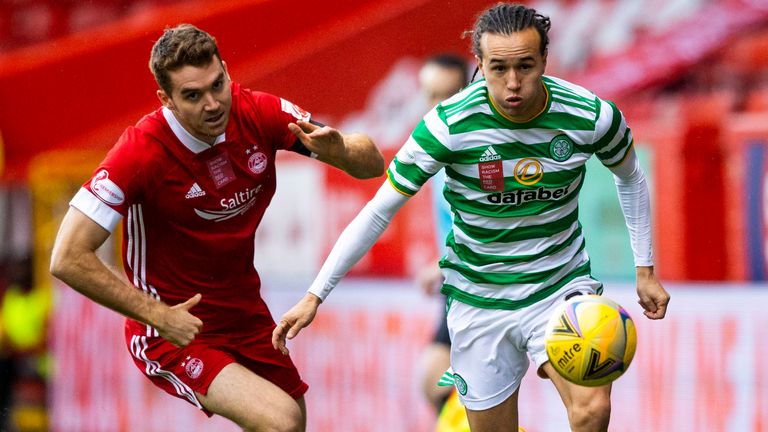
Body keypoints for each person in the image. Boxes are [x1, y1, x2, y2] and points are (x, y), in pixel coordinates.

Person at [273, 3, 670, 432]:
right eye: (499, 68)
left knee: (592, 408)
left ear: (545, 61)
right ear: (478, 65)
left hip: (559, 287)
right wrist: (316, 294)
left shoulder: (590, 115)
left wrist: (644, 270)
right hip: (479, 301)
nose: (513, 83)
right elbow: (378, 211)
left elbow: (630, 177)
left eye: (525, 66)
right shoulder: (447, 126)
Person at [49, 24, 384, 432]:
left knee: (292, 422)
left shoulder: (259, 112)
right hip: (170, 328)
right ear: (166, 100)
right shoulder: (139, 151)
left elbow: (374, 166)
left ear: (226, 70)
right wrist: (158, 316)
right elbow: (67, 257)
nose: (212, 104)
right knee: (281, 421)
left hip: (244, 314)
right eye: (192, 95)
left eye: (217, 84)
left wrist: (345, 151)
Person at [414, 53, 468, 416]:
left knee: (443, 382)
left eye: (447, 95)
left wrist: (442, 263)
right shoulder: (434, 147)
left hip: (483, 282)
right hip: (457, 282)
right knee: (437, 384)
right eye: (430, 96)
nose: (438, 106)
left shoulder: (477, 150)